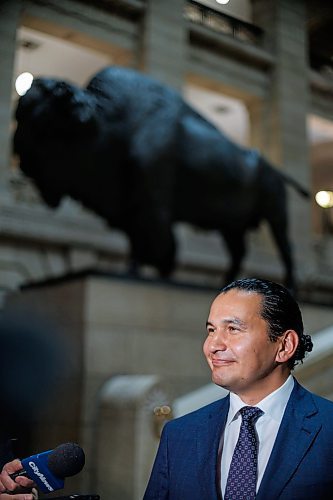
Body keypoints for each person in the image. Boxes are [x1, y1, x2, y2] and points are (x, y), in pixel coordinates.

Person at [143, 278, 333, 499]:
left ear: (284, 346)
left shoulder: (327, 429)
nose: (213, 345)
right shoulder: (179, 436)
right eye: (211, 330)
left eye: (233, 329)